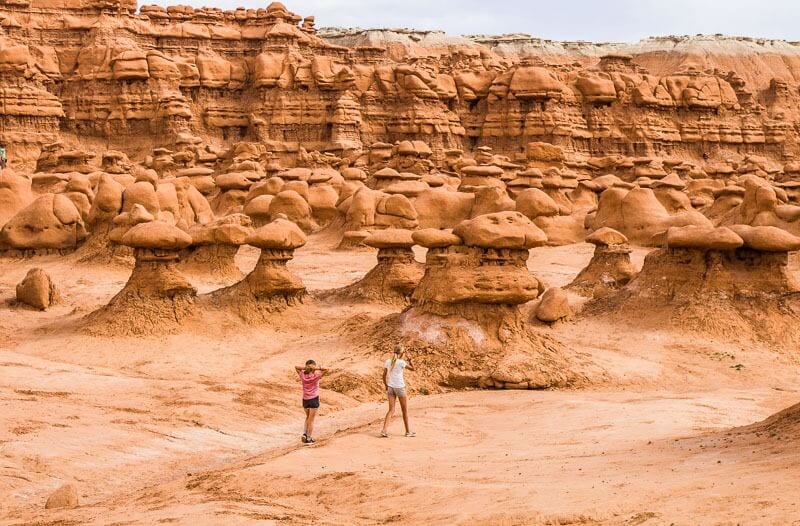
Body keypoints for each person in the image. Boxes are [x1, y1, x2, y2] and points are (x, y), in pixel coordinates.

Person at [380, 344, 415, 438]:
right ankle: (408, 432)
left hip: (391, 387)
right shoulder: (401, 362)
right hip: (400, 388)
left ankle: (384, 430)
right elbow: (414, 369)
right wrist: (410, 359)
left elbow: (383, 375)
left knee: (391, 410)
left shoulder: (388, 361)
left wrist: (386, 385)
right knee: (405, 411)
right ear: (402, 353)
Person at [294, 359, 329, 444]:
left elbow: (296, 367)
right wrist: (316, 368)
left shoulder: (302, 375)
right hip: (314, 399)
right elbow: (327, 369)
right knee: (311, 420)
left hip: (305, 400)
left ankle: (305, 434)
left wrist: (307, 368)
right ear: (313, 368)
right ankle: (309, 438)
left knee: (307, 418)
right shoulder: (315, 376)